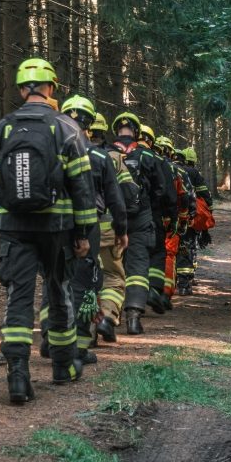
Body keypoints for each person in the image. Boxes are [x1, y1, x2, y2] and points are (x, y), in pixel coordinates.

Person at [0, 59, 96, 403]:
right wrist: (83, 234)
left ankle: (18, 374)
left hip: (13, 226)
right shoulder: (67, 127)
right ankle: (63, 366)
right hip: (56, 227)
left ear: (22, 90)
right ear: (51, 89)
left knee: (18, 296)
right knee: (59, 291)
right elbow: (82, 186)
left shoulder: (2, 128)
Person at [38, 96, 127, 365]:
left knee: (52, 279)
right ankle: (77, 346)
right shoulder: (99, 155)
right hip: (88, 226)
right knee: (83, 284)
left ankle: (49, 336)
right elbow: (115, 198)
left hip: (52, 224)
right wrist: (121, 229)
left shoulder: (51, 151)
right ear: (89, 124)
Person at [110, 113, 167, 335]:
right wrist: (144, 204)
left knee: (110, 266)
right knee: (138, 265)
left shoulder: (105, 152)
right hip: (141, 217)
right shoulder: (148, 155)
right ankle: (133, 318)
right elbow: (160, 189)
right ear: (136, 132)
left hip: (110, 218)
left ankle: (109, 316)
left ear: (116, 130)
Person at [90, 115, 139, 342]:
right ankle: (107, 318)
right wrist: (122, 226)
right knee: (112, 277)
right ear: (103, 133)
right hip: (107, 230)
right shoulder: (113, 157)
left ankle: (85, 331)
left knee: (81, 278)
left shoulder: (66, 154)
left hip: (75, 231)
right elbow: (128, 193)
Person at [139, 125, 178, 315]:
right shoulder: (159, 161)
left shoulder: (119, 156)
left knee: (133, 255)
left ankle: (132, 300)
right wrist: (172, 218)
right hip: (153, 213)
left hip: (122, 215)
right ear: (151, 141)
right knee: (157, 251)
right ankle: (154, 290)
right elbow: (169, 193)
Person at [155, 136, 192, 308]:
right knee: (169, 255)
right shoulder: (175, 170)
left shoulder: (144, 162)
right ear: (169, 151)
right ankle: (165, 293)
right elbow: (183, 197)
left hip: (146, 220)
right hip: (169, 221)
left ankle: (144, 293)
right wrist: (183, 219)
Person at [174, 148, 213, 294]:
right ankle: (185, 282)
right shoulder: (193, 173)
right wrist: (204, 224)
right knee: (187, 246)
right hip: (186, 216)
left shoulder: (166, 168)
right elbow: (203, 195)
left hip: (167, 217)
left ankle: (170, 280)